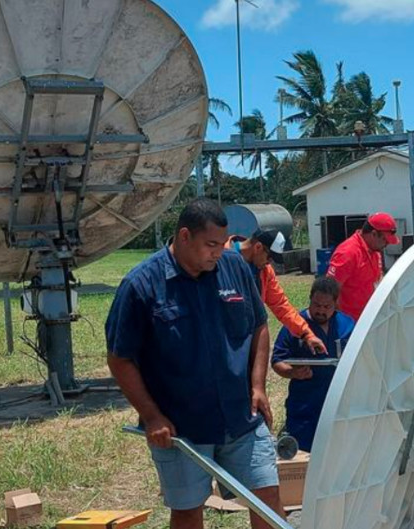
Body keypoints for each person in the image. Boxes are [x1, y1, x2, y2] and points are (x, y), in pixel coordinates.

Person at [106, 198, 284, 529]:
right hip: (182, 428)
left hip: (241, 418)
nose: (219, 252)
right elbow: (120, 358)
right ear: (185, 236)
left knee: (268, 501)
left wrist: (257, 386)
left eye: (223, 243)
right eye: (211, 244)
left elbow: (259, 325)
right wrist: (151, 415)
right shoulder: (141, 285)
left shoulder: (236, 269)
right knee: (188, 510)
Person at [271, 276, 355, 452]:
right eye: (317, 305)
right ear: (310, 299)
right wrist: (293, 373)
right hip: (304, 408)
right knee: (305, 457)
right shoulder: (295, 326)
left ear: (335, 304)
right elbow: (277, 361)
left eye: (327, 307)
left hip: (339, 406)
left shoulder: (347, 325)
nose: (321, 311)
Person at [228, 229, 327, 354]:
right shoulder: (221, 259)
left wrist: (306, 333)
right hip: (224, 342)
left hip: (250, 340)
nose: (269, 263)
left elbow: (280, 305)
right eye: (269, 257)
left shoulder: (265, 271)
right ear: (258, 247)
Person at [326, 212, 399, 322]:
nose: (387, 244)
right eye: (385, 240)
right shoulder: (348, 253)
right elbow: (329, 291)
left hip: (370, 320)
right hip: (351, 325)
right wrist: (342, 324)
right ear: (374, 234)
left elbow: (377, 280)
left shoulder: (375, 251)